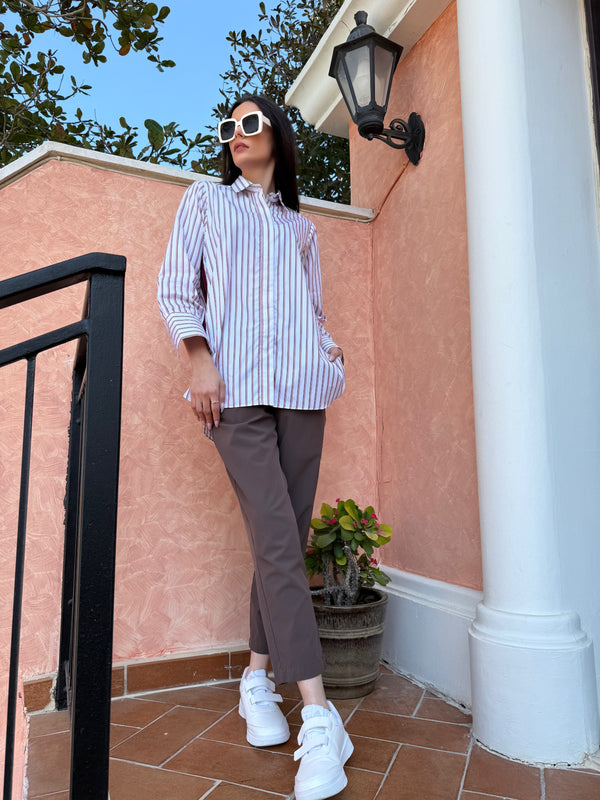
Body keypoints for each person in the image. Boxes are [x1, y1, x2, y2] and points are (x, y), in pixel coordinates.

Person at [157, 94, 351, 800]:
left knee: (284, 539)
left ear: (277, 135)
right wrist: (199, 360)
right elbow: (178, 286)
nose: (234, 135)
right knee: (275, 538)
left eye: (249, 123)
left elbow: (315, 307)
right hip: (233, 391)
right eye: (227, 127)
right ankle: (322, 717)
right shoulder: (207, 200)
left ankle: (255, 677)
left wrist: (329, 353)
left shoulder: (302, 228)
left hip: (303, 387)